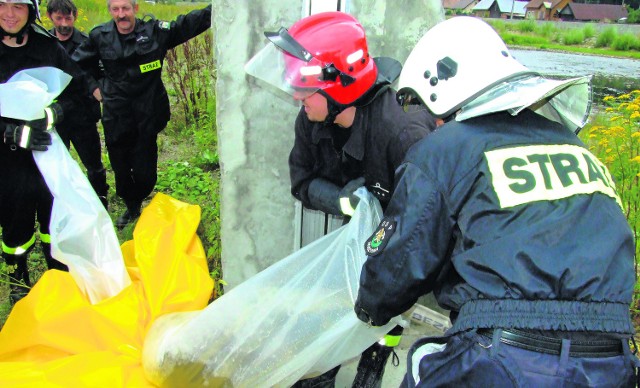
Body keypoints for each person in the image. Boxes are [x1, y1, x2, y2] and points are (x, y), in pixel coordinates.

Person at [354, 16, 639, 387]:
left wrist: (368, 307)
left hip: (503, 359)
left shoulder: (444, 151)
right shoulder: (575, 147)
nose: (435, 122)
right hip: (610, 360)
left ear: (447, 94)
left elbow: (398, 266)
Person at [245, 11, 437, 388]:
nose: (297, 97)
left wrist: (387, 274)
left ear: (339, 88)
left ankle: (375, 362)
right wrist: (343, 201)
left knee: (388, 305)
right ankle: (326, 367)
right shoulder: (313, 116)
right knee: (340, 301)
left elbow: (426, 230)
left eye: (304, 88)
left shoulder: (403, 134)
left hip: (407, 234)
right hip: (364, 228)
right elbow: (301, 182)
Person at [72, 0, 211, 229]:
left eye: (125, 8)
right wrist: (94, 87)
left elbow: (186, 25)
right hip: (116, 116)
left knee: (146, 174)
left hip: (147, 113)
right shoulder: (100, 36)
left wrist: (217, 8)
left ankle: (141, 194)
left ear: (135, 9)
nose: (121, 14)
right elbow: (77, 64)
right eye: (115, 9)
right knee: (121, 171)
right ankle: (132, 206)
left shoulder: (155, 32)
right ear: (110, 11)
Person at [0, 0, 89, 302]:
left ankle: (57, 268)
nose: (9, 14)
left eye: (18, 6)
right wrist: (10, 132)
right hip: (6, 160)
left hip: (46, 152)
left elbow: (79, 93)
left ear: (32, 12)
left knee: (53, 211)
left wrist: (53, 114)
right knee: (14, 219)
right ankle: (17, 275)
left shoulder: (48, 49)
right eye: (1, 4)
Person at [46, 0, 109, 210]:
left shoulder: (87, 43)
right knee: (58, 166)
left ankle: (100, 202)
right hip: (54, 117)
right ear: (50, 17)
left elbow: (100, 77)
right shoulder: (43, 43)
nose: (64, 23)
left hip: (83, 115)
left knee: (94, 165)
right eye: (59, 18)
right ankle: (64, 207)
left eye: (68, 18)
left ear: (75, 16)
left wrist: (96, 91)